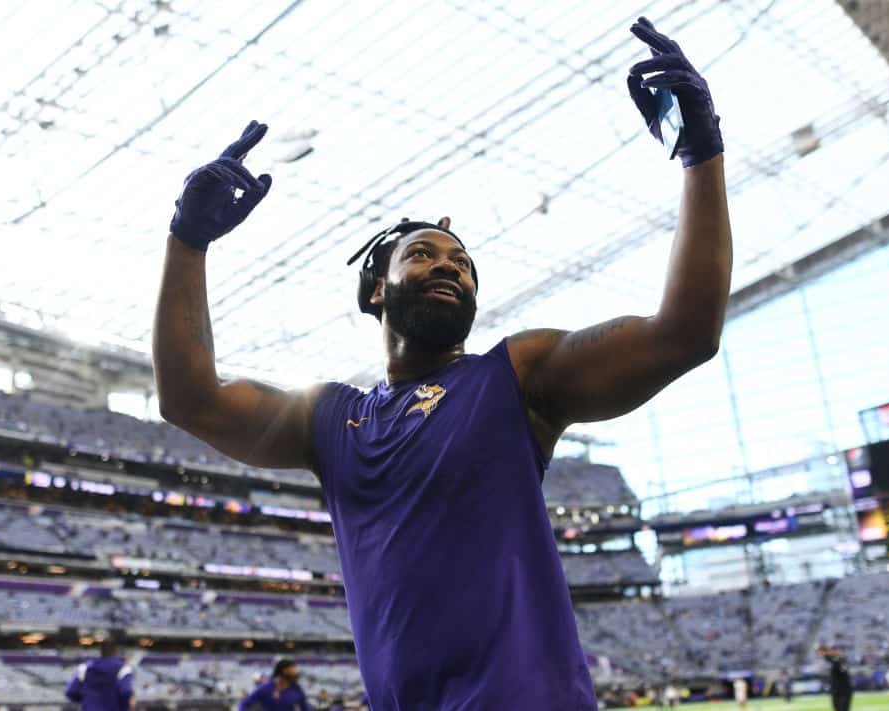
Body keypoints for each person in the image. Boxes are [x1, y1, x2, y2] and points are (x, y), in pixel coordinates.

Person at [153, 16, 730, 711]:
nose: (449, 266)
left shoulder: (517, 374)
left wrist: (701, 152)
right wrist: (186, 242)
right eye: (423, 254)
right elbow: (190, 399)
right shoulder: (332, 419)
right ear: (377, 289)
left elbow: (684, 333)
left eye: (462, 262)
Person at [64, 639, 134, 711]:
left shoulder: (85, 667)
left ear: (100, 652)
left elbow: (71, 692)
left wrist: (86, 700)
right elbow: (126, 692)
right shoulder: (123, 668)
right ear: (115, 651)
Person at [239, 659, 311, 711]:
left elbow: (305, 708)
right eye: (292, 671)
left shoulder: (296, 688)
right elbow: (244, 704)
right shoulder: (265, 688)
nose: (295, 674)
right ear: (283, 672)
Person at [817, 645, 852, 711]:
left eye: (834, 650)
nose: (832, 652)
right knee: (837, 708)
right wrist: (823, 653)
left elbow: (843, 669)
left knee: (843, 709)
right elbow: (829, 659)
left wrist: (825, 654)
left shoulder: (842, 659)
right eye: (832, 650)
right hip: (835, 690)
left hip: (844, 690)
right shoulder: (831, 660)